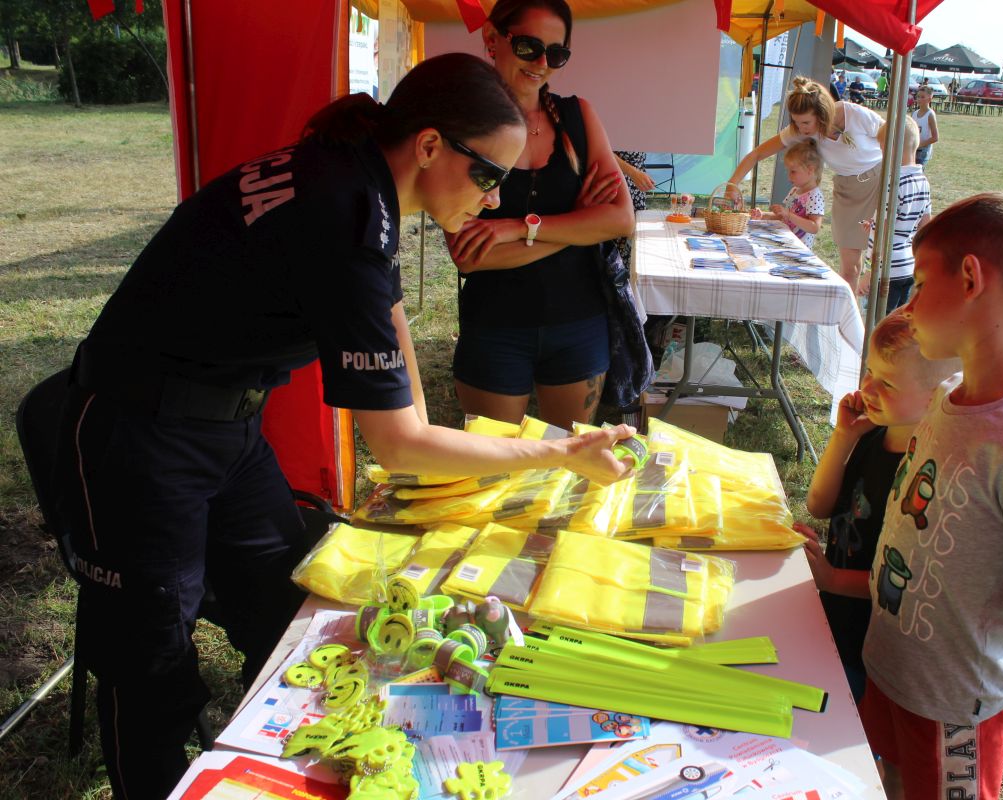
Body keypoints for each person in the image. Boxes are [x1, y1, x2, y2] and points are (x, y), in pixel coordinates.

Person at [53, 53, 637, 800]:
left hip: (225, 424)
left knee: (285, 613)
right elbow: (398, 447)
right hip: (138, 432)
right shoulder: (349, 220)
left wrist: (504, 441)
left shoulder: (359, 173)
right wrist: (559, 456)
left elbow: (405, 387)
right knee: (153, 673)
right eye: (489, 176)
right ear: (430, 147)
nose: (493, 201)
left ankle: (278, 765)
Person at [860, 192, 1003, 800]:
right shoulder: (945, 394)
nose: (910, 304)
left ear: (970, 278)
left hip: (954, 697)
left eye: (920, 283)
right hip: (895, 666)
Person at [446, 0, 635, 430]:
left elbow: (622, 220)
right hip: (495, 326)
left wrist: (520, 227)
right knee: (491, 476)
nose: (542, 63)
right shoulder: (464, 123)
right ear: (492, 38)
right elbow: (468, 254)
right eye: (529, 46)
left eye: (557, 53)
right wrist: (582, 224)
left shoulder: (578, 116)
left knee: (569, 471)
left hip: (579, 323)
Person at [798, 310, 960, 703]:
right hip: (834, 614)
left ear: (935, 397)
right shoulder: (875, 433)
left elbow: (907, 577)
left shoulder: (926, 471)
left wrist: (833, 579)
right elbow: (819, 506)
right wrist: (843, 437)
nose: (867, 389)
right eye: (868, 372)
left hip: (871, 635)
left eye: (887, 383)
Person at [728, 76, 884, 289]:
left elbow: (893, 136)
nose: (801, 129)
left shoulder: (853, 114)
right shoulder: (800, 130)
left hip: (880, 181)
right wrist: (733, 184)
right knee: (850, 267)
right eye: (796, 122)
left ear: (822, 114)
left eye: (806, 122)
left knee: (881, 262)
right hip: (847, 190)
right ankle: (846, 319)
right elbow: (757, 154)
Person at [861, 116, 932, 312]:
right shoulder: (922, 181)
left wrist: (869, 272)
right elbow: (924, 226)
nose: (882, 154)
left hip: (886, 272)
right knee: (896, 327)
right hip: (908, 267)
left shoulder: (892, 185)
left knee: (877, 326)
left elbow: (883, 233)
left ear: (894, 147)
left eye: (883, 148)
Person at [749, 140, 824, 249]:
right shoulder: (794, 191)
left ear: (810, 170)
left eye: (793, 171)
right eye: (788, 171)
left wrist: (789, 215)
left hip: (799, 250)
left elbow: (814, 227)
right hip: (785, 243)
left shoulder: (815, 196)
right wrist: (763, 215)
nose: (789, 176)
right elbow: (782, 217)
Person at [614, 150, 653, 265]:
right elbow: (604, 152)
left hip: (636, 185)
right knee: (619, 236)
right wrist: (633, 173)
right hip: (618, 183)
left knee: (633, 236)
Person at [911, 85, 938, 166]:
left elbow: (935, 138)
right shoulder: (914, 113)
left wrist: (920, 144)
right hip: (913, 149)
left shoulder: (930, 115)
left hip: (923, 151)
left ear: (929, 99)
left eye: (922, 97)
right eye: (918, 96)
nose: (919, 99)